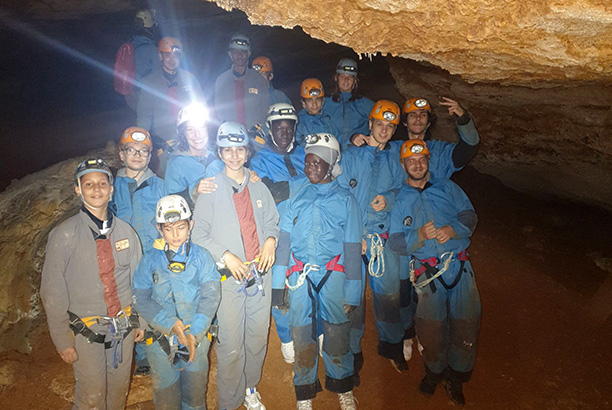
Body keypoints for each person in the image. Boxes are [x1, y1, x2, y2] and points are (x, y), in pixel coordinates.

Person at [40, 158, 143, 410]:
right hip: (86, 332)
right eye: (88, 184)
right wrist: (62, 339)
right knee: (91, 396)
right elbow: (52, 291)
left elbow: (139, 281)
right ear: (78, 189)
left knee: (118, 392)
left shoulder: (126, 233)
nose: (96, 189)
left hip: (123, 328)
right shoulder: (64, 235)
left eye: (102, 183)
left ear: (111, 189)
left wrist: (142, 320)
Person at [192, 122, 279, 410]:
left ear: (247, 151)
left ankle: (250, 387)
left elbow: (271, 222)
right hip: (230, 279)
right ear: (219, 152)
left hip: (259, 275)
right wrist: (225, 254)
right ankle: (229, 402)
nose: (233, 155)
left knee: (256, 337)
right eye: (227, 150)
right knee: (230, 343)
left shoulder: (257, 185)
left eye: (239, 149)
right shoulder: (211, 190)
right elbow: (198, 234)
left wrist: (270, 240)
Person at [272, 133, 362, 410]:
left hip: (332, 275)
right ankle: (305, 391)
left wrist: (352, 291)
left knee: (336, 333)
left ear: (331, 164)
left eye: (317, 163)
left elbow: (351, 247)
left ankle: (342, 386)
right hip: (300, 277)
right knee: (303, 334)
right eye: (308, 162)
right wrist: (278, 287)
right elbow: (284, 244)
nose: (310, 168)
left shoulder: (346, 200)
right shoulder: (297, 199)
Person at [389, 139, 480, 406]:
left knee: (466, 322)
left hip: (459, 266)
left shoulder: (448, 187)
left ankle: (456, 376)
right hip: (428, 274)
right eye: (411, 161)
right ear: (403, 164)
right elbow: (395, 242)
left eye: (422, 160)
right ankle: (434, 371)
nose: (417, 165)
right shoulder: (400, 199)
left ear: (428, 161)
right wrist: (417, 235)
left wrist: (453, 230)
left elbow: (469, 216)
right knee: (430, 328)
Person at [337, 100, 409, 375]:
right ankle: (353, 351)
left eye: (390, 126)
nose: (384, 130)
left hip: (381, 236)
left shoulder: (396, 159)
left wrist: (389, 199)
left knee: (388, 294)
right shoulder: (351, 156)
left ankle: (391, 345)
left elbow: (404, 190)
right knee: (352, 296)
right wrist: (354, 235)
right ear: (369, 124)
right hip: (355, 236)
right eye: (380, 124)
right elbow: (341, 196)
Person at [133, 195, 221, 410]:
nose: (175, 234)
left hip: (196, 339)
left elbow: (210, 296)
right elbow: (141, 298)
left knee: (195, 396)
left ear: (190, 225)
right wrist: (170, 323)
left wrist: (196, 332)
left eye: (180, 227)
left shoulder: (202, 257)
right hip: (161, 341)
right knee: (166, 398)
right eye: (168, 228)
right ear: (159, 228)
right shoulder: (150, 260)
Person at [250, 103, 305, 364]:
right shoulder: (259, 160)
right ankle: (286, 337)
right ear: (270, 128)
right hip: (278, 233)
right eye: (278, 127)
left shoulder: (306, 154)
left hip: (307, 230)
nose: (284, 132)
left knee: (310, 281)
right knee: (278, 287)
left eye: (289, 127)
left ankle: (311, 331)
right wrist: (307, 182)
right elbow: (272, 192)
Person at [112, 126, 166, 376]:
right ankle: (129, 355)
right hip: (121, 260)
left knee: (154, 303)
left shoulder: (160, 187)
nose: (137, 155)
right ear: (121, 154)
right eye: (130, 150)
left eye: (143, 151)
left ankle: (149, 355)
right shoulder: (110, 187)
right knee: (125, 305)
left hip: (153, 257)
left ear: (150, 155)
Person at [137, 37, 204, 176]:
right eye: (167, 55)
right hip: (164, 144)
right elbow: (143, 119)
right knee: (167, 179)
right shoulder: (150, 83)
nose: (172, 59)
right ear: (160, 56)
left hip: (191, 141)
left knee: (197, 178)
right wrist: (146, 145)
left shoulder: (189, 79)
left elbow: (202, 109)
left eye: (176, 55)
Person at [164, 103, 225, 209]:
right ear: (183, 134)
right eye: (190, 129)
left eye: (201, 128)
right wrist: (195, 192)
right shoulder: (176, 163)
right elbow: (172, 202)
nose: (197, 135)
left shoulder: (221, 153)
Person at [401, 97, 479, 178]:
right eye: (412, 114)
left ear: (428, 123)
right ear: (405, 122)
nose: (418, 118)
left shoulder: (442, 151)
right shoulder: (393, 150)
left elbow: (470, 146)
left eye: (423, 114)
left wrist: (463, 119)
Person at [214, 34, 270, 131]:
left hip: (255, 137)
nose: (239, 56)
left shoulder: (259, 80)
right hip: (230, 137)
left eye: (243, 52)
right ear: (230, 54)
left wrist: (258, 131)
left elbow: (265, 110)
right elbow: (218, 112)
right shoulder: (221, 80)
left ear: (249, 53)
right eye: (235, 52)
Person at [322, 58, 374, 147]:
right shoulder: (323, 104)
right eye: (342, 76)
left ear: (355, 81)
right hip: (330, 153)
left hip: (357, 155)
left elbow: (383, 126)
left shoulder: (366, 105)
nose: (346, 80)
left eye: (350, 77)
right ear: (336, 78)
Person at [123, 8, 161, 110]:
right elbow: (160, 78)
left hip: (130, 95)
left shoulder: (128, 44)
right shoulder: (152, 50)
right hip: (145, 97)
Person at [295, 78, 339, 147]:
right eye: (310, 100)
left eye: (318, 99)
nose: (314, 104)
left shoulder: (329, 119)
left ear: (323, 101)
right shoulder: (299, 124)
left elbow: (338, 139)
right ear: (303, 103)